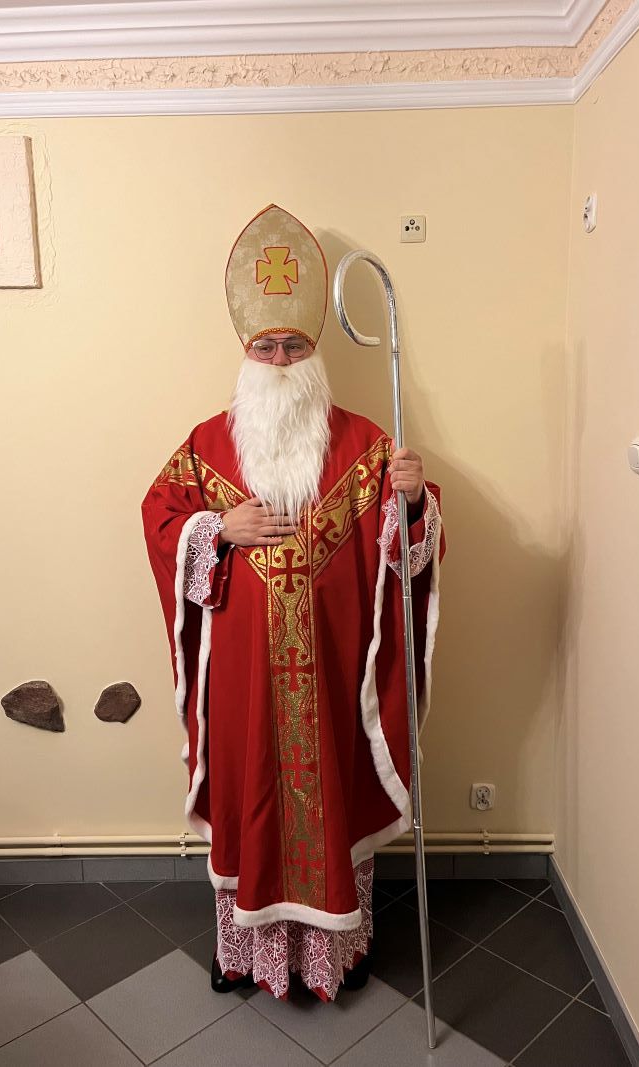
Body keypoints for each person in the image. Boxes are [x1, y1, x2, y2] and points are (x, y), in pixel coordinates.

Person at [141, 204, 445, 1001]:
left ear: (315, 353)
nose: (280, 359)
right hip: (243, 684)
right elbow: (158, 518)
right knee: (251, 797)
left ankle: (334, 952)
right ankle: (245, 953)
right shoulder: (208, 445)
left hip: (333, 677)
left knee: (329, 795)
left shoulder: (367, 445)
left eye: (294, 346)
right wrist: (218, 527)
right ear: (246, 353)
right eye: (266, 346)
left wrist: (413, 499)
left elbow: (409, 552)